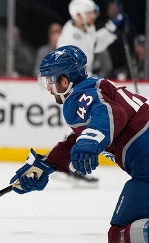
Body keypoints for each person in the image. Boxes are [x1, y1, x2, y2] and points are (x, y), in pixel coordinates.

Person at [10, 45, 149, 243]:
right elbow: (82, 135)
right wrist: (47, 164)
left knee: (118, 239)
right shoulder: (94, 88)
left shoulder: (76, 99)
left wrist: (91, 139)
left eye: (50, 81)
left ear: (64, 82)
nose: (48, 88)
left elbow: (111, 114)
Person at [55, 0, 125, 187]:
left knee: (80, 124)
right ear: (78, 16)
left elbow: (96, 43)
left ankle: (69, 166)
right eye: (89, 13)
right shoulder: (71, 36)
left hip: (80, 84)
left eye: (93, 12)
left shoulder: (86, 29)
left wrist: (113, 28)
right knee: (79, 125)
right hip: (73, 86)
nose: (93, 16)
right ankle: (71, 167)